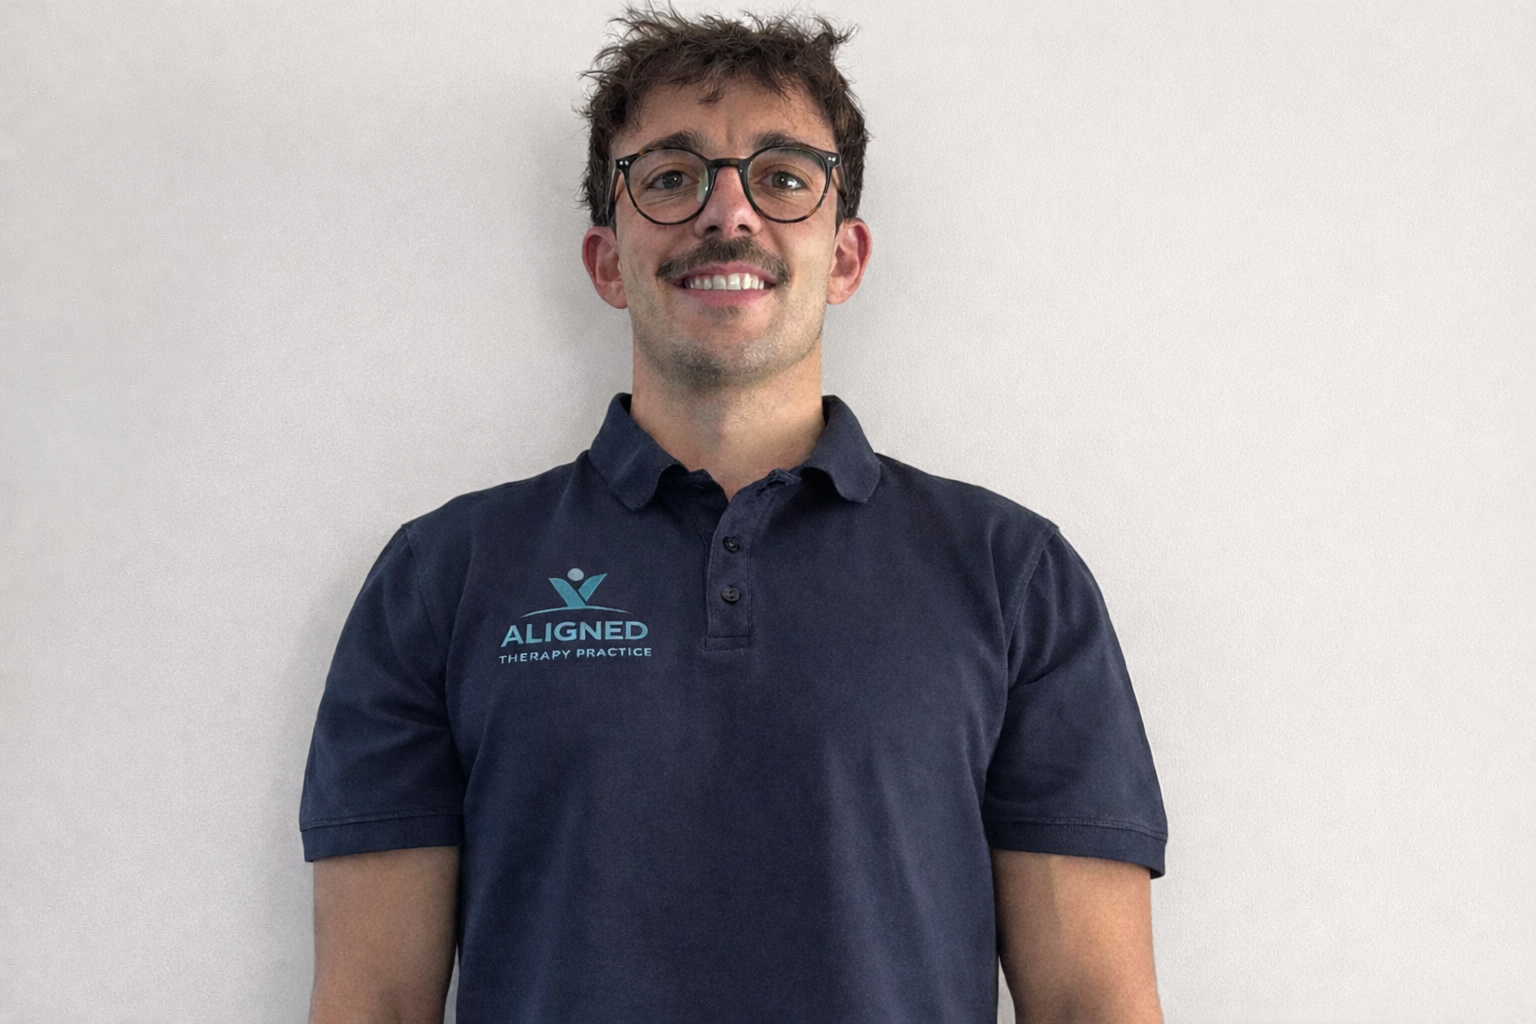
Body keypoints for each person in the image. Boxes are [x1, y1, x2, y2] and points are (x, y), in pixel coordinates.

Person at [299, 9, 1168, 1024]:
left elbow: (1090, 1003)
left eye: (784, 177)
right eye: (670, 178)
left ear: (844, 256)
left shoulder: (1014, 577)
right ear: (607, 261)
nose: (729, 214)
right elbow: (374, 1003)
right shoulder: (440, 578)